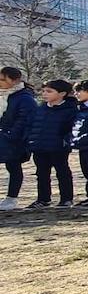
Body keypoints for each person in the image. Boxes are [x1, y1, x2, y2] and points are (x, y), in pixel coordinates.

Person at [26, 80, 79, 209]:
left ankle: (66, 199)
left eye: (49, 91)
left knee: (62, 172)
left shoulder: (70, 109)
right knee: (41, 173)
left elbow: (72, 128)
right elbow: (34, 126)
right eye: (43, 91)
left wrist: (66, 141)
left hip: (58, 147)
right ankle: (43, 199)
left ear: (62, 93)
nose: (45, 94)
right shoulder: (41, 108)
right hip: (40, 146)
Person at [0, 67, 37, 211]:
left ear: (15, 80)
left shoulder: (24, 98)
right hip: (4, 135)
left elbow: (25, 120)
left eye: (3, 80)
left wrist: (11, 134)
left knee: (13, 166)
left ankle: (11, 198)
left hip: (13, 139)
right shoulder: (5, 95)